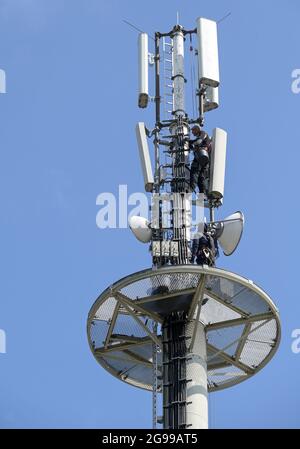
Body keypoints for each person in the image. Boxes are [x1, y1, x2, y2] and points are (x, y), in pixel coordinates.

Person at [189, 124, 211, 194]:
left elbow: (198, 141)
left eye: (193, 130)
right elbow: (194, 146)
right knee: (200, 177)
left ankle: (191, 190)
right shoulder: (200, 137)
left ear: (197, 129)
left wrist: (190, 142)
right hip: (202, 158)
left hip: (201, 156)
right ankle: (202, 195)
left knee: (195, 173)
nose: (192, 132)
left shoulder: (203, 133)